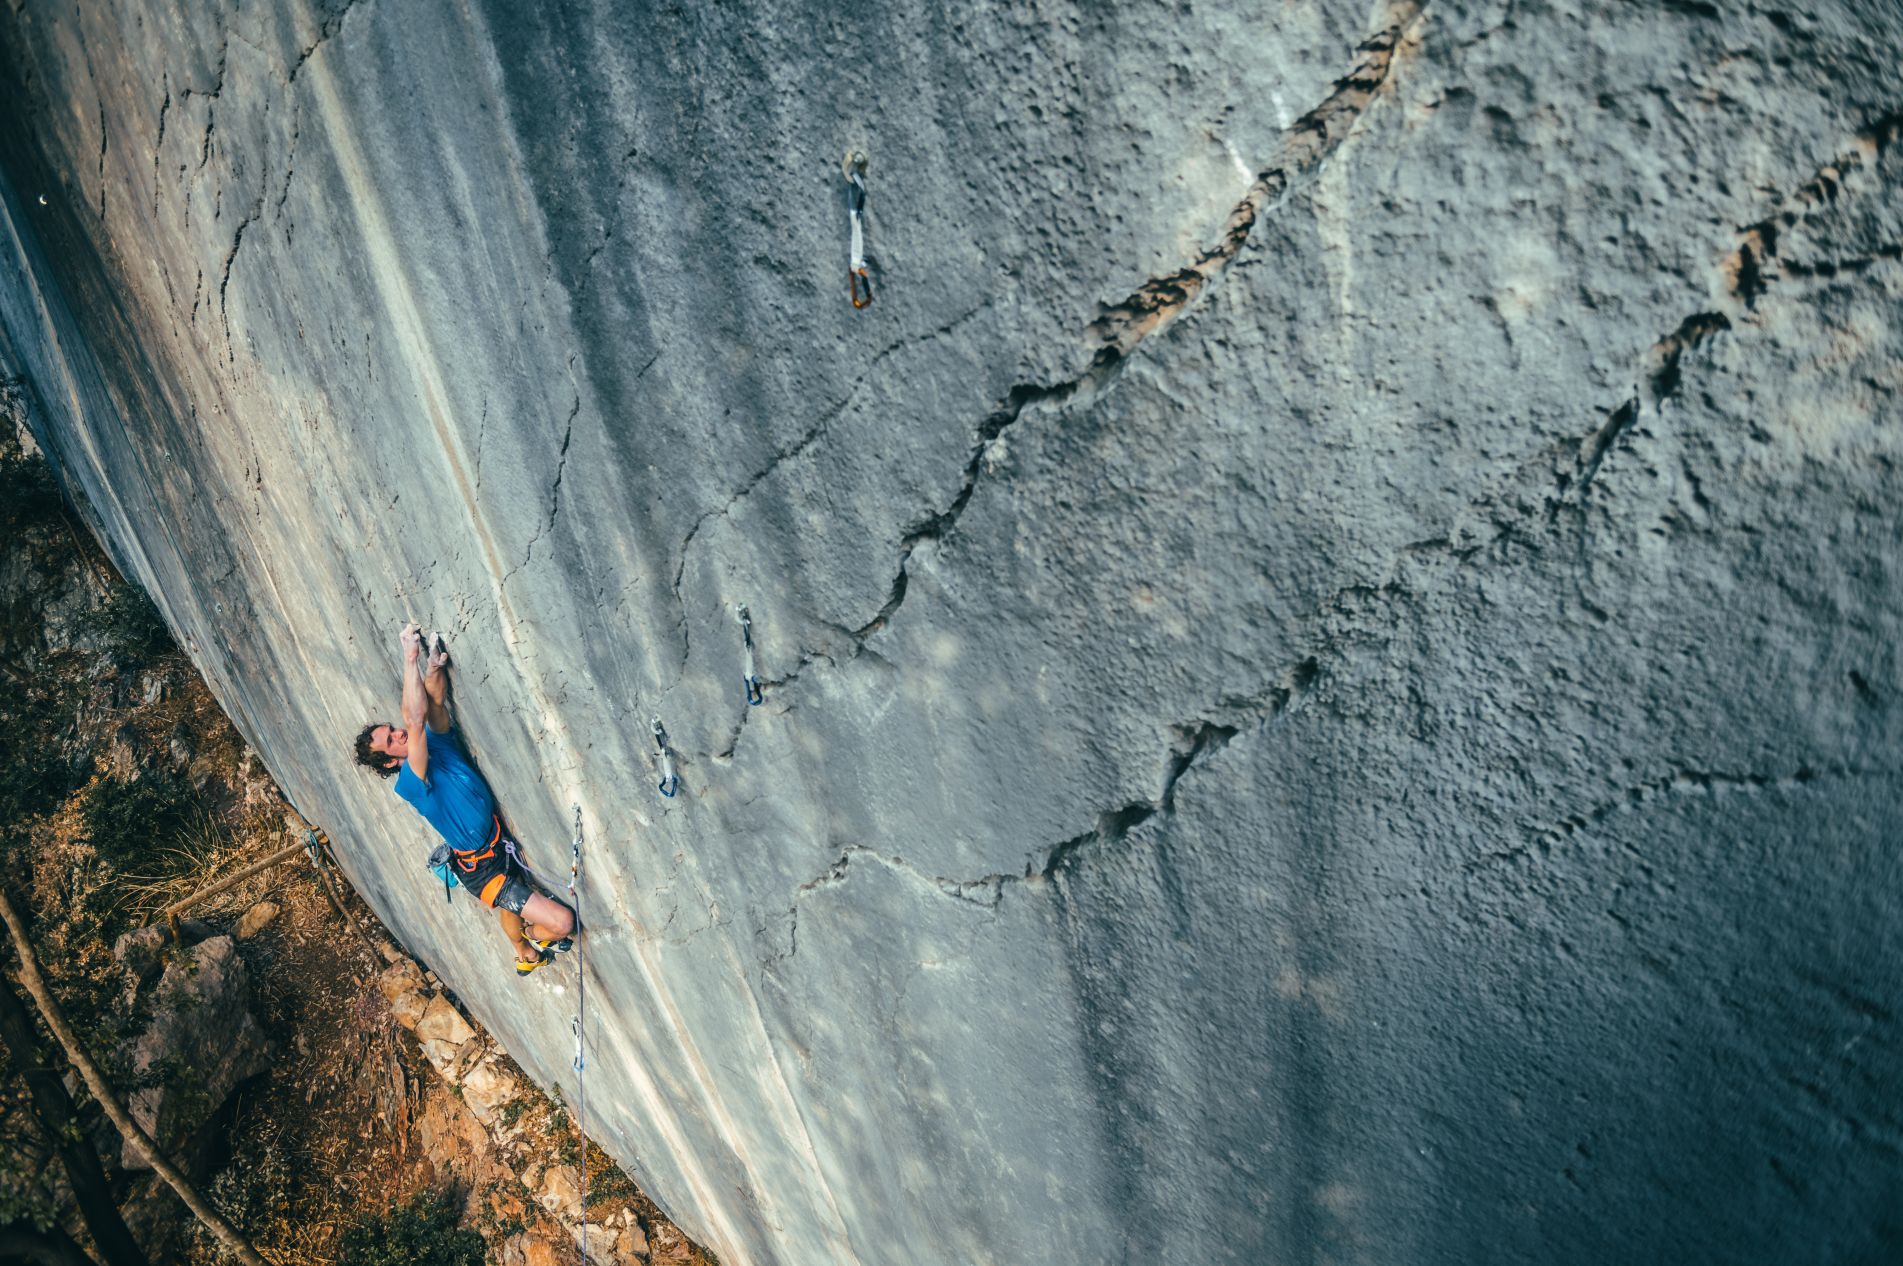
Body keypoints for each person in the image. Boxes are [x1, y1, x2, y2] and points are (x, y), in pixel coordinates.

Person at [353, 622, 575, 975]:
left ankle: (523, 953)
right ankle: (534, 939)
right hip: (482, 869)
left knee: (512, 904)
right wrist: (410, 657)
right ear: (391, 761)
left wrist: (434, 667)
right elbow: (415, 717)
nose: (398, 734)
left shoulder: (435, 741)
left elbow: (435, 701)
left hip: (497, 841)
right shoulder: (411, 782)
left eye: (391, 730)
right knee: (561, 922)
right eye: (391, 741)